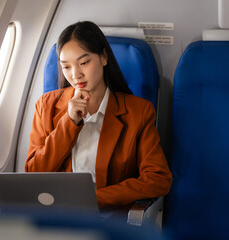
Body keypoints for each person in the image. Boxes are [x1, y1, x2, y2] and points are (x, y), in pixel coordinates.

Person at [25, 21, 172, 218]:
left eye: (84, 63)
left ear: (103, 57)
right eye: (66, 67)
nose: (75, 74)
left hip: (107, 218)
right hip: (57, 218)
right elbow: (33, 175)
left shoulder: (138, 111)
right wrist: (69, 123)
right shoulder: (46, 106)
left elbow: (158, 178)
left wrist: (95, 199)